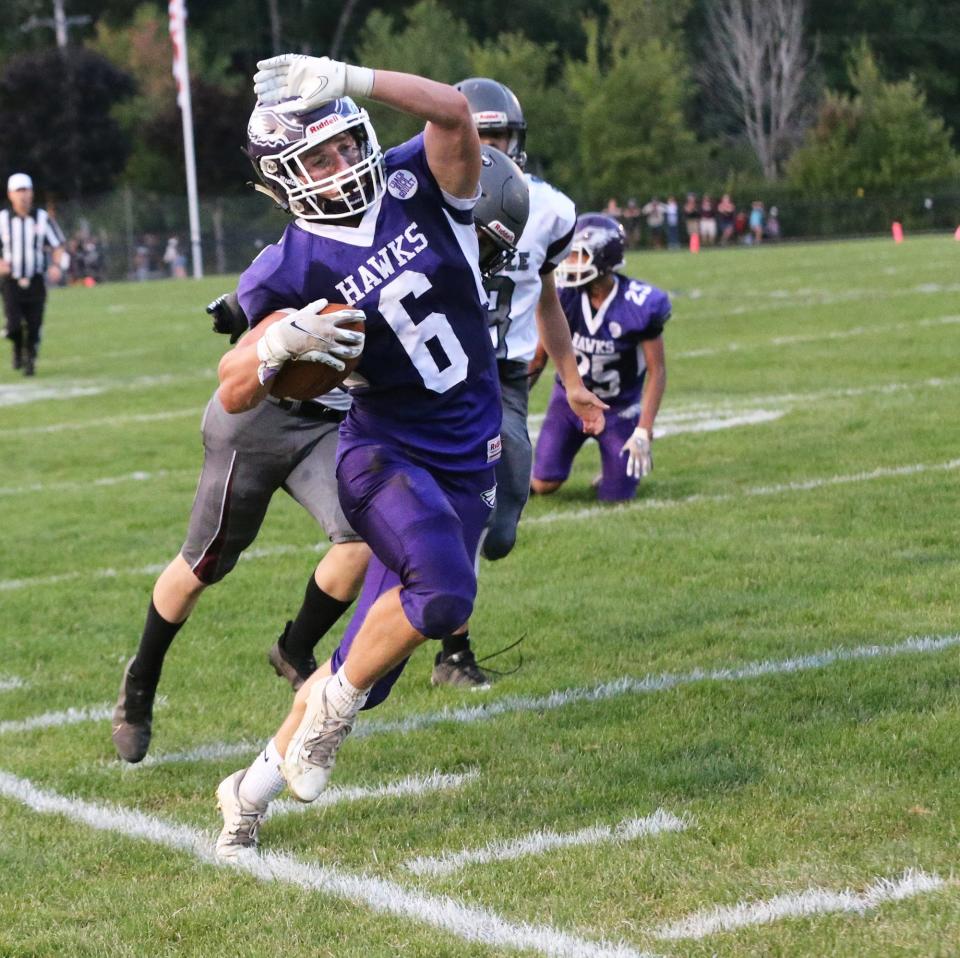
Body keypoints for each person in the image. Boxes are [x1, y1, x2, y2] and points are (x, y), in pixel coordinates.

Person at [214, 54, 538, 857]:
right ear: (285, 177)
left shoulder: (412, 182)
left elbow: (455, 112)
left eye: (344, 141)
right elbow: (229, 389)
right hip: (383, 455)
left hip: (466, 456)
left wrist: (349, 76)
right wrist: (274, 343)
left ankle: (246, 792)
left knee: (368, 668)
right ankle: (326, 722)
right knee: (445, 596)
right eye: (316, 157)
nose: (340, 162)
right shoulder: (289, 264)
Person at [110, 290, 371, 764]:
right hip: (254, 418)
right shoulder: (300, 250)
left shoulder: (403, 246)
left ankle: (294, 648)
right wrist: (238, 308)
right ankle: (141, 679)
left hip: (329, 425)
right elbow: (255, 296)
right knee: (202, 565)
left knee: (361, 541)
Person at [424, 77, 606, 688]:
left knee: (498, 529)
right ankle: (452, 652)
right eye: (480, 133)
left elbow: (545, 298)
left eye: (499, 133)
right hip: (439, 374)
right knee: (456, 512)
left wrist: (573, 379)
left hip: (505, 377)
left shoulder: (549, 209)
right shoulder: (423, 202)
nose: (490, 145)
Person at [532, 213, 669, 503]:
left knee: (615, 497)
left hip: (618, 409)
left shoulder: (639, 304)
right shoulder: (565, 297)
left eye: (579, 256)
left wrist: (644, 429)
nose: (570, 264)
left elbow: (657, 371)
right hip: (569, 403)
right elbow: (539, 358)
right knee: (544, 483)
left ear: (603, 258)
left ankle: (615, 470)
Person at [0, 173, 65, 376]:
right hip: (11, 281)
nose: (23, 196)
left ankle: (30, 361)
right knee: (13, 325)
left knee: (35, 324)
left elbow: (58, 245)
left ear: (32, 193)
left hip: (36, 279)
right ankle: (18, 348)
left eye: (26, 190)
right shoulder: (2, 220)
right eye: (19, 191)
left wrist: (56, 265)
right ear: (10, 195)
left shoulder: (42, 218)